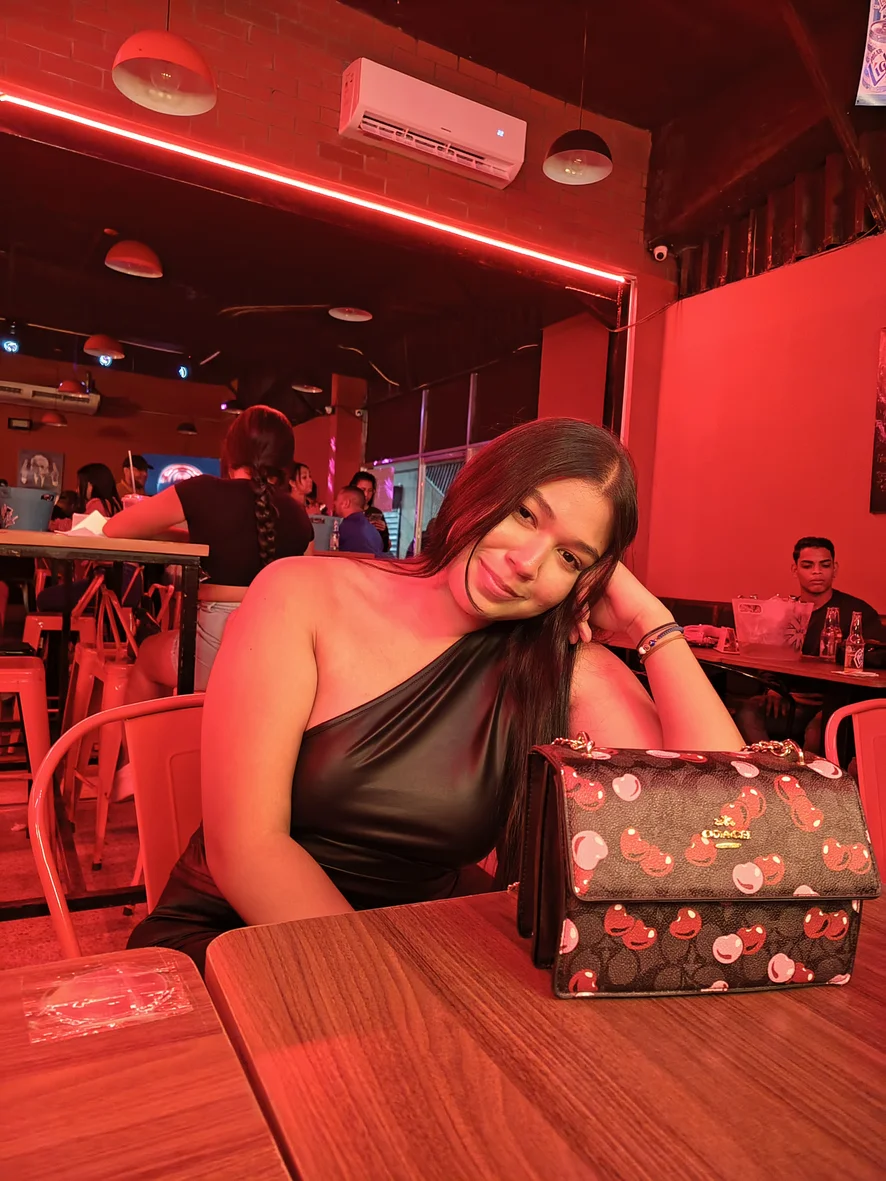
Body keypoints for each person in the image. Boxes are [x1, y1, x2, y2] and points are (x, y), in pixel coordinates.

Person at [127, 417, 742, 972]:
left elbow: (721, 822)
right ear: (480, 487)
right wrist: (398, 986)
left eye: (568, 556)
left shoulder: (557, 665)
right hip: (242, 942)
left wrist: (649, 621)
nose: (528, 562)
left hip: (420, 941)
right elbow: (247, 850)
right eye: (525, 514)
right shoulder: (301, 593)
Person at [104, 405, 314, 695]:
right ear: (284, 458)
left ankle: (161, 727)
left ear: (232, 448)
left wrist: (184, 536)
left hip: (215, 650)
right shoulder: (299, 514)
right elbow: (307, 587)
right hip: (279, 655)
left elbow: (114, 528)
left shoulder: (202, 491)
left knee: (148, 654)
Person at [735, 536, 884, 747]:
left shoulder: (858, 612)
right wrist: (773, 688)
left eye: (825, 565)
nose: (817, 572)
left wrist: (833, 694)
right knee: (747, 712)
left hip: (834, 703)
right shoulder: (785, 611)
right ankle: (773, 764)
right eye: (807, 565)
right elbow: (768, 658)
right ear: (795, 569)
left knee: (819, 729)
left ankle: (809, 769)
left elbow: (878, 658)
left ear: (835, 569)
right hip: (789, 699)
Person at [333, 485, 383, 555]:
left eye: (337, 499)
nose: (334, 503)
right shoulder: (374, 531)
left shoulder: (344, 528)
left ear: (346, 503)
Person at [350, 469, 391, 552]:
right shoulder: (347, 510)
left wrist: (384, 531)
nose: (366, 494)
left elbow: (384, 548)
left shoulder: (376, 513)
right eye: (363, 490)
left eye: (370, 491)